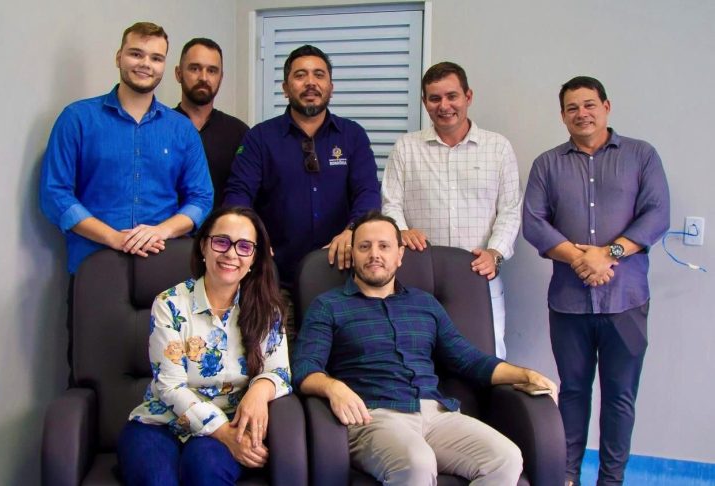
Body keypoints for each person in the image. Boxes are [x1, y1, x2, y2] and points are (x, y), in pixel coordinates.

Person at [293, 211, 557, 486]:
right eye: (364, 246)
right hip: (374, 417)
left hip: (437, 414)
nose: (374, 254)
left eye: (384, 246)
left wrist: (525, 375)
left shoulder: (424, 304)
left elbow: (468, 359)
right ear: (353, 253)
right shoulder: (328, 306)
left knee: (506, 458)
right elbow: (304, 368)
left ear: (399, 255)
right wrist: (333, 387)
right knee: (417, 462)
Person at [39, 21, 214, 382]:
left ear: (165, 67)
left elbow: (201, 197)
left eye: (156, 58)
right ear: (119, 57)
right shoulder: (77, 119)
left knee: (174, 374)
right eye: (136, 53)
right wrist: (113, 238)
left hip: (165, 269)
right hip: (96, 267)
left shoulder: (181, 129)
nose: (145, 64)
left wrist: (161, 231)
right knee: (92, 373)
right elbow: (55, 194)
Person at [523, 76, 670, 486]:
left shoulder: (642, 155)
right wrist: (580, 258)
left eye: (589, 104)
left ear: (606, 106)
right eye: (572, 108)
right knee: (572, 391)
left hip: (627, 301)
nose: (581, 114)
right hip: (568, 303)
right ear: (562, 116)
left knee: (620, 397)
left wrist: (609, 253)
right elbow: (534, 223)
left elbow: (657, 214)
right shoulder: (547, 164)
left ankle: (611, 479)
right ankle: (566, 476)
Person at [117, 206, 292, 485]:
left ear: (254, 258)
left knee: (205, 472)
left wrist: (260, 389)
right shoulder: (170, 304)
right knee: (157, 479)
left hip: (229, 422)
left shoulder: (267, 310)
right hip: (161, 422)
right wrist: (224, 433)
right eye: (221, 242)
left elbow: (280, 371)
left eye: (244, 246)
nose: (231, 254)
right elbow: (170, 387)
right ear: (203, 247)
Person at [224, 44, 380, 337]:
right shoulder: (260, 137)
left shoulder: (352, 136)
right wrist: (249, 237)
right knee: (278, 358)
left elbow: (368, 192)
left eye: (319, 75)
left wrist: (353, 230)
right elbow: (238, 195)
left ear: (331, 87)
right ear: (285, 88)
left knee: (343, 355)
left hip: (341, 277)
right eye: (300, 75)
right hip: (275, 280)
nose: (310, 82)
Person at [381, 62, 521, 359]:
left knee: (486, 358)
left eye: (452, 96)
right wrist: (401, 231)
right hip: (417, 277)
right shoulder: (406, 147)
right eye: (435, 98)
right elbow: (390, 203)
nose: (444, 106)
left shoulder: (498, 147)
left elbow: (510, 209)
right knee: (415, 357)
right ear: (425, 102)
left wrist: (495, 253)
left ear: (468, 96)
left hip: (478, 274)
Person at [174, 38, 249, 209]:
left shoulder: (239, 133)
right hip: (168, 225)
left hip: (222, 226)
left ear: (221, 78)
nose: (203, 77)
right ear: (178, 73)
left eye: (212, 71)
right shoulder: (161, 127)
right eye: (194, 68)